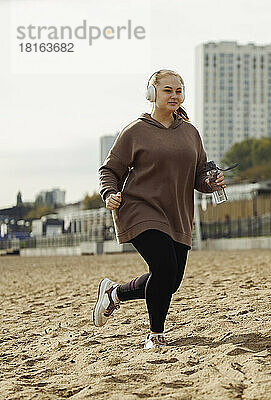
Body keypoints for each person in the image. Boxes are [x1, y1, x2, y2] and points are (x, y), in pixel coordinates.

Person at [94, 69, 226, 349]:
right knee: (164, 269)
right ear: (152, 94)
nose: (174, 95)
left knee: (170, 281)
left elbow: (199, 176)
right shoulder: (135, 131)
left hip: (177, 214)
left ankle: (114, 294)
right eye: (168, 90)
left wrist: (210, 181)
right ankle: (155, 335)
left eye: (178, 90)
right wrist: (109, 193)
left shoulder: (191, 133)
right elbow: (110, 169)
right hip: (140, 209)